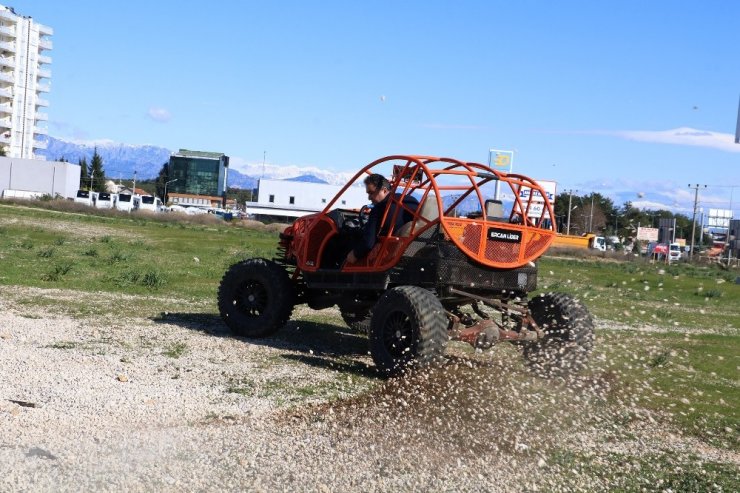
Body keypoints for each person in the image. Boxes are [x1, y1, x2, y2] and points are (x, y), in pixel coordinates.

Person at [344, 174, 419, 264]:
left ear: (384, 190)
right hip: (410, 252)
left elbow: (368, 243)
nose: (369, 197)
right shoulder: (412, 201)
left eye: (371, 193)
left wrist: (354, 254)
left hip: (386, 258)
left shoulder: (379, 208)